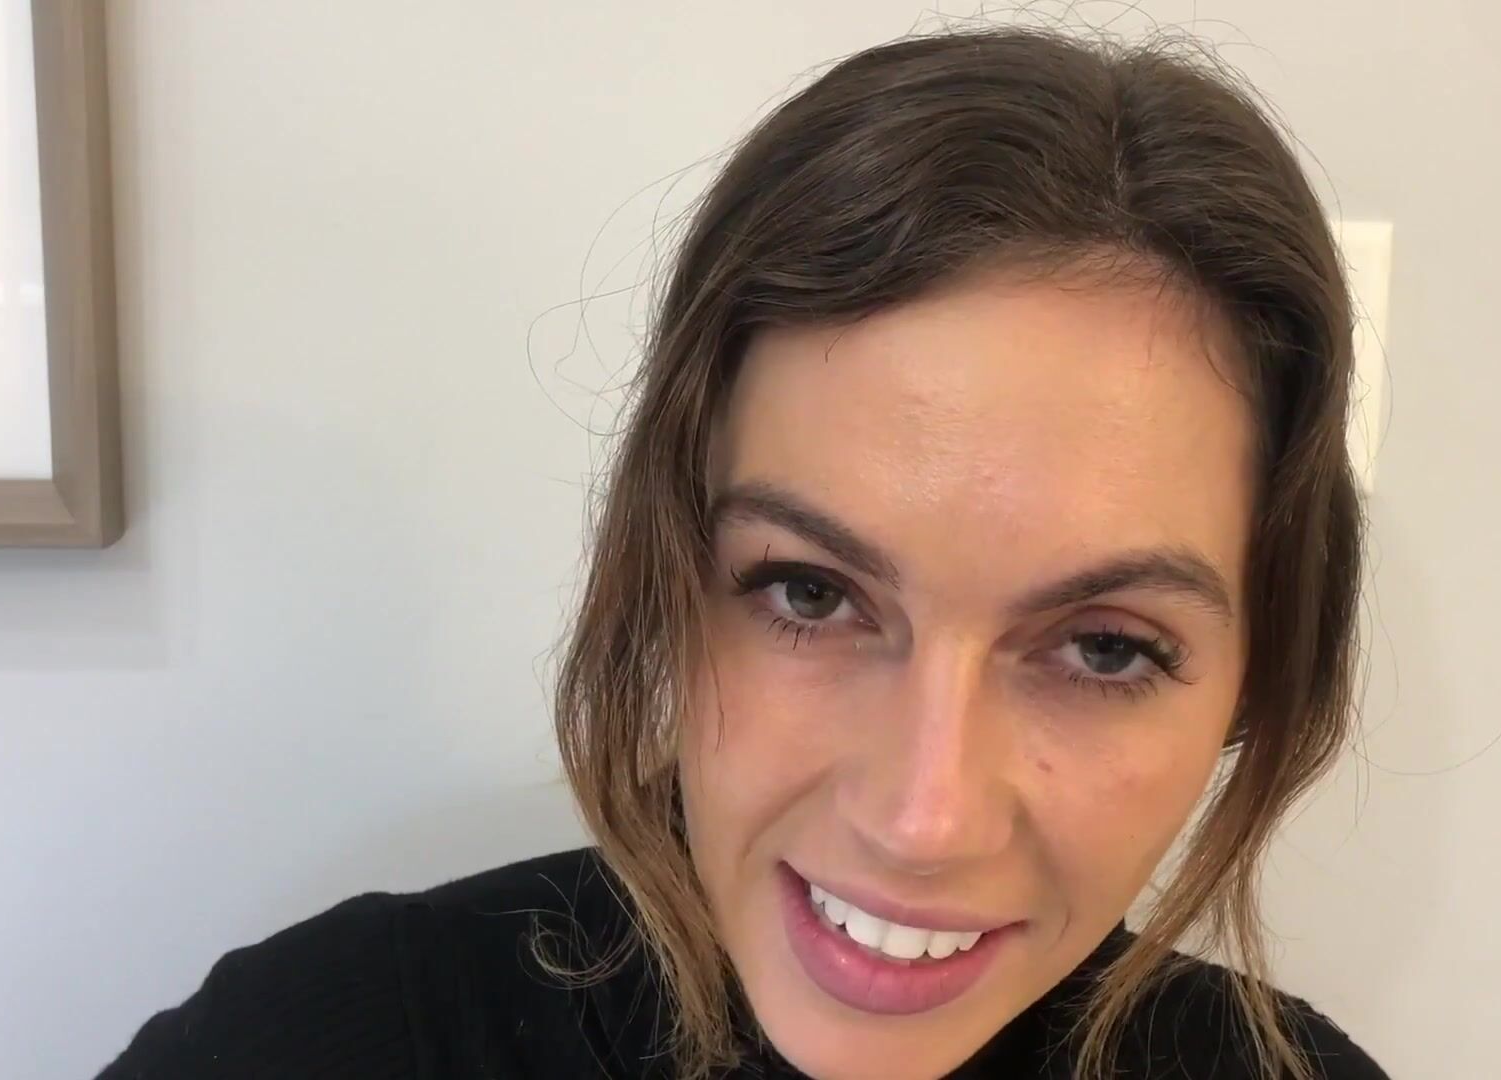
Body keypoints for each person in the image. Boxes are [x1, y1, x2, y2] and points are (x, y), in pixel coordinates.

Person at [98, 27, 1390, 1080]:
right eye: (810, 593)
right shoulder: (320, 1043)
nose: (922, 820)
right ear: (665, 574)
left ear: (1253, 682)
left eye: (1105, 649)